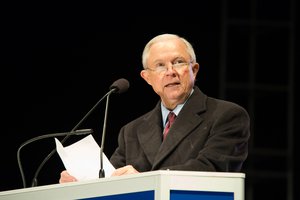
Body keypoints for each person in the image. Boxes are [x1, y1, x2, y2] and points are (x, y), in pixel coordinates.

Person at [59, 33, 250, 183]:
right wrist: (81, 181)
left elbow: (210, 168)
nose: (170, 72)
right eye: (159, 66)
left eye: (178, 62)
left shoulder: (226, 115)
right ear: (147, 78)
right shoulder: (131, 131)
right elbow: (112, 179)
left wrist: (141, 178)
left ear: (194, 69)